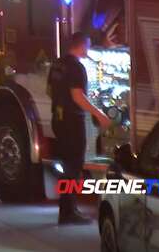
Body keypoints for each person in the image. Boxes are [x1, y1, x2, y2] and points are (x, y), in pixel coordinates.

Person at [47, 31, 111, 225]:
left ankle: (67, 209)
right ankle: (68, 213)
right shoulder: (76, 68)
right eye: (88, 46)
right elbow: (77, 96)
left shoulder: (57, 64)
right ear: (81, 46)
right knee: (73, 167)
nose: (88, 50)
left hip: (58, 120)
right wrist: (99, 114)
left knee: (68, 166)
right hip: (72, 122)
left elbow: (49, 91)